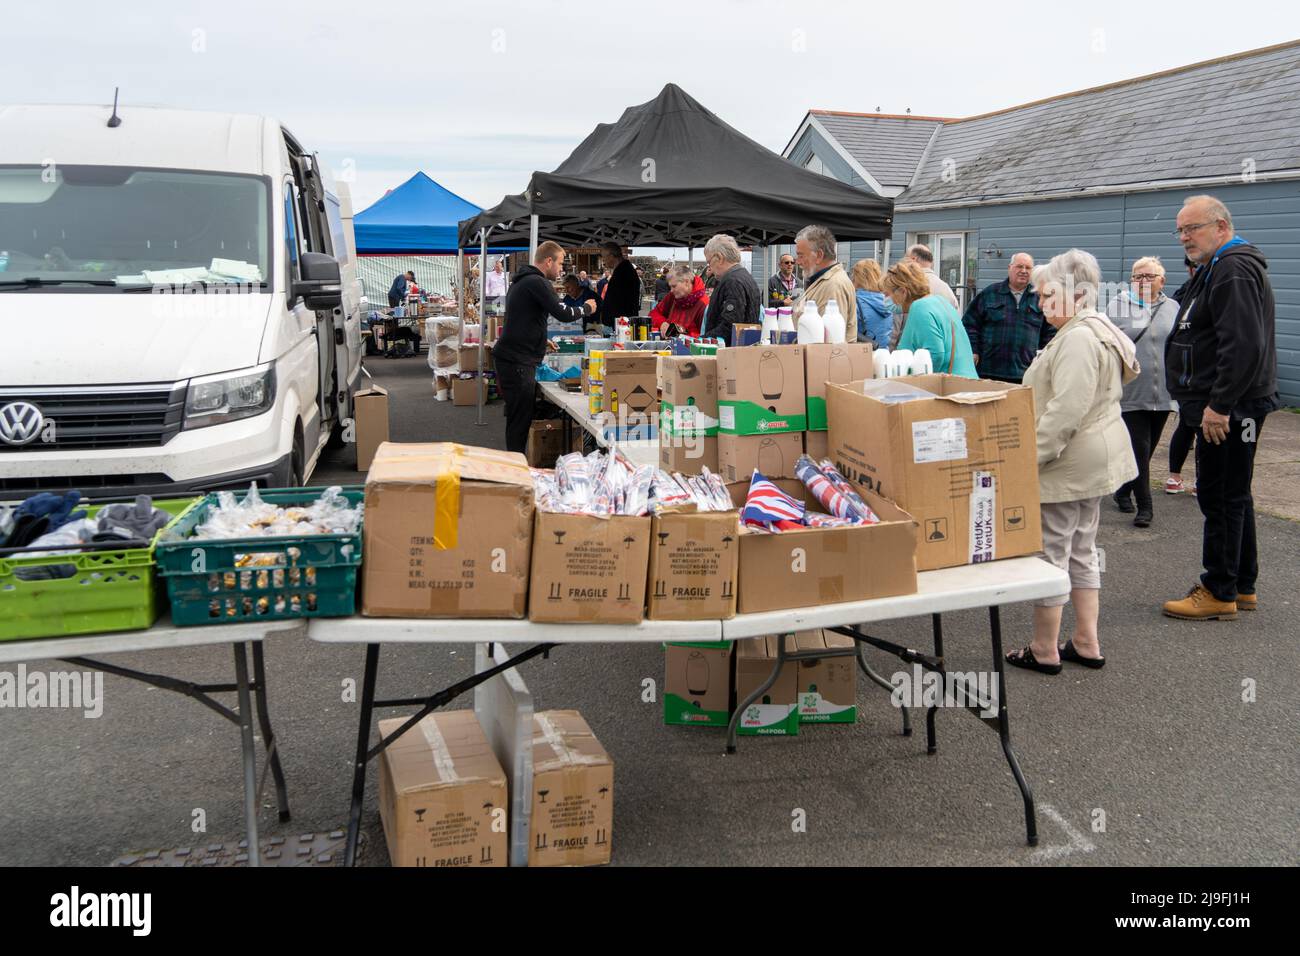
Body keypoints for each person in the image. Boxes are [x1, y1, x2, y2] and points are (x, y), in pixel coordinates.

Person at [1006, 250, 1138, 675]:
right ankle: (1085, 640)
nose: (1041, 304)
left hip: (1069, 463)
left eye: (1048, 295)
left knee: (1053, 554)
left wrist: (1027, 460)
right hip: (1095, 459)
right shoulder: (1094, 328)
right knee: (1082, 549)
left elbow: (1065, 414)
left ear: (1077, 294)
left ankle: (1044, 648)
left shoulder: (1079, 338)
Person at [1161, 195, 1280, 621]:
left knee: (1220, 496)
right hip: (1231, 406)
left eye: (1192, 228)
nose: (1185, 237)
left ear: (1222, 227)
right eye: (1180, 230)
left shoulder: (1231, 268)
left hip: (1230, 410)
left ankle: (1218, 589)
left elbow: (1243, 345)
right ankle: (1241, 585)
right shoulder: (1216, 268)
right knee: (1234, 494)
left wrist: (1219, 406)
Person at [493, 242, 599, 453]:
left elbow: (522, 319)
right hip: (517, 361)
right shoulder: (537, 282)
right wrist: (587, 307)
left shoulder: (522, 281)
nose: (561, 270)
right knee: (519, 420)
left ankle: (516, 466)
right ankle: (516, 472)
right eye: (560, 263)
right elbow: (563, 313)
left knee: (518, 417)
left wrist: (540, 340)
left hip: (513, 357)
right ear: (548, 261)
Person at [1107, 256, 1180, 527]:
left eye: (1148, 276)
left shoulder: (1173, 307)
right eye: (1137, 276)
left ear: (1162, 280)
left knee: (1146, 451)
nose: (1142, 281)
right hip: (1131, 390)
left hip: (1164, 392)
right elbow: (1107, 344)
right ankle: (1145, 506)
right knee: (1140, 447)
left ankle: (1124, 490)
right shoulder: (1118, 305)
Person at [961, 253, 1053, 383]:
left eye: (1028, 268)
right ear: (1010, 268)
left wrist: (1043, 359)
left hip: (1025, 373)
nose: (1024, 271)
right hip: (989, 371)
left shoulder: (1039, 297)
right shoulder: (990, 293)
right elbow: (969, 324)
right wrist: (973, 349)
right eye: (1019, 266)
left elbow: (1050, 332)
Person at [883, 260, 977, 377]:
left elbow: (935, 354)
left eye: (889, 293)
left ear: (903, 291)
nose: (888, 299)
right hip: (965, 382)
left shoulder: (919, 307)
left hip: (950, 387)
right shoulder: (940, 301)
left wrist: (917, 381)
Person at [1164, 255, 1199, 495]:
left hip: (1210, 373)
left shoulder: (1219, 289)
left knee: (1205, 431)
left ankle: (1201, 479)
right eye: (1194, 266)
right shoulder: (1184, 295)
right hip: (1189, 375)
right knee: (1187, 425)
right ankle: (1174, 475)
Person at [793, 225, 857, 341]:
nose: (798, 262)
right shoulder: (825, 280)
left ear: (819, 255)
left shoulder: (833, 285)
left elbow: (830, 344)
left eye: (801, 255)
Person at [888, 244, 958, 347]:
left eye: (904, 258)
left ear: (913, 259)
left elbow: (895, 325)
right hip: (946, 349)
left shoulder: (906, 286)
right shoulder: (946, 289)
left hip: (912, 354)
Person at [701, 234, 761, 342]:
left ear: (719, 258)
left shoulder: (732, 281)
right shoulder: (745, 276)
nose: (709, 267)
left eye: (709, 262)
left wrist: (701, 340)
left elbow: (729, 326)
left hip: (728, 352)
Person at [649, 262, 709, 337]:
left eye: (674, 286)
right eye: (670, 287)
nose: (671, 290)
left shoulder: (703, 304)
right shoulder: (673, 296)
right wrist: (662, 323)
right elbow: (654, 313)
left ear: (686, 282)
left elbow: (705, 336)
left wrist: (680, 335)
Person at [597, 243, 642, 331]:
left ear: (611, 256)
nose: (603, 261)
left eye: (604, 257)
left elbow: (618, 300)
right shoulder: (622, 270)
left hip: (622, 325)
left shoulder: (624, 272)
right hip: (619, 323)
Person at [852, 259, 892, 348]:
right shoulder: (888, 301)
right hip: (884, 354)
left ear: (857, 278)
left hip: (863, 354)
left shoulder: (854, 302)